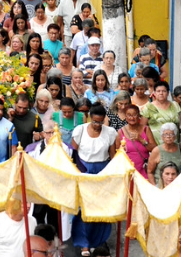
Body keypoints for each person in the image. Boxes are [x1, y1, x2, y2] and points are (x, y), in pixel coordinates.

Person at [71, 104, 117, 256]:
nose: (97, 125)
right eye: (95, 121)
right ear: (90, 118)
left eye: (100, 122)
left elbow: (112, 155)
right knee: (83, 209)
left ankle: (98, 241)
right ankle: (84, 244)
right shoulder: (80, 130)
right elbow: (73, 153)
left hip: (102, 171)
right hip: (83, 170)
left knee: (100, 207)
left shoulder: (110, 132)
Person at [26, 121, 72, 235]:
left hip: (57, 187)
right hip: (40, 187)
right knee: (38, 214)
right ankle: (39, 238)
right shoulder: (34, 149)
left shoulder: (65, 148)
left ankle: (54, 239)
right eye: (48, 133)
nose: (51, 135)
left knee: (55, 217)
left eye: (54, 132)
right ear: (43, 134)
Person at [141, 81, 181, 152]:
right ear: (154, 93)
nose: (161, 93)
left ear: (168, 93)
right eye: (158, 91)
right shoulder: (149, 107)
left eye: (164, 91)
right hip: (156, 146)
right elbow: (142, 127)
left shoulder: (175, 105)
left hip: (174, 145)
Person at [115, 104, 155, 179]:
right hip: (128, 171)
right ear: (125, 117)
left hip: (144, 170)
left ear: (139, 115)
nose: (132, 118)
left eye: (134, 115)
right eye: (129, 115)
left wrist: (141, 140)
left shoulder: (146, 129)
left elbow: (154, 148)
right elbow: (117, 154)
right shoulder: (120, 132)